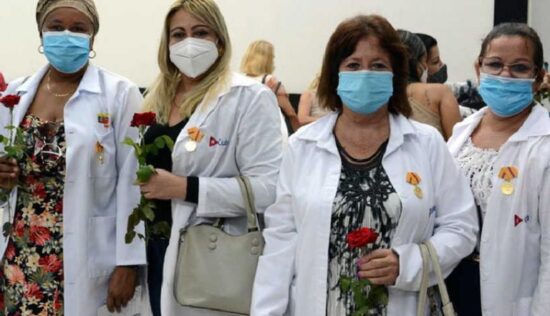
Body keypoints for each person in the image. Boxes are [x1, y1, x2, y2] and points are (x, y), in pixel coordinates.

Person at [251, 14, 478, 316]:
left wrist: (408, 263)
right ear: (335, 74)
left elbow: (461, 226)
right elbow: (280, 242)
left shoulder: (426, 143)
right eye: (354, 65)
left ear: (396, 74)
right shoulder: (303, 146)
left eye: (379, 66)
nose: (366, 74)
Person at [0, 0, 148, 315]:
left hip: (88, 254)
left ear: (93, 37)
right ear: (41, 33)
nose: (66, 35)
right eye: (56, 27)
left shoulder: (120, 94)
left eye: (78, 28)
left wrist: (129, 261)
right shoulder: (15, 94)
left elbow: (133, 182)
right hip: (20, 254)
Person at [138, 0, 283, 314]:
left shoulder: (248, 97)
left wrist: (185, 188)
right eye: (178, 34)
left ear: (219, 39)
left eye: (200, 32)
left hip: (210, 251)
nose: (188, 42)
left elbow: (269, 190)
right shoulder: (155, 97)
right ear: (167, 44)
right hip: (153, 248)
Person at [446, 23, 550, 316]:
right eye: (495, 64)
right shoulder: (461, 133)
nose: (505, 75)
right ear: (479, 68)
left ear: (537, 78)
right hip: (450, 281)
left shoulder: (544, 143)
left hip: (513, 291)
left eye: (519, 68)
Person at [398, 30, 461, 140]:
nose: (442, 65)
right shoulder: (440, 92)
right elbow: (458, 145)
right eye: (435, 61)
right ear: (419, 63)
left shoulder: (378, 95)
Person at [240, 40, 301, 132]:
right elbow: (290, 112)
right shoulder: (271, 81)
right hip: (269, 129)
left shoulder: (241, 81)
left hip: (247, 128)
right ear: (268, 59)